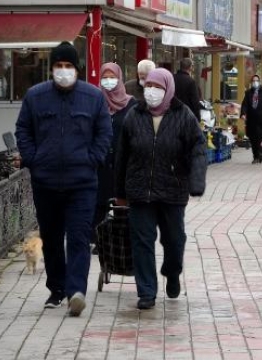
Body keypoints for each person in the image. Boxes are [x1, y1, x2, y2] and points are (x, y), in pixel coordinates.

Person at [15, 41, 112, 316]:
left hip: (82, 183)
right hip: (45, 182)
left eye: (68, 66)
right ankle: (57, 289)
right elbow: (23, 129)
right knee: (52, 238)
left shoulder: (93, 97)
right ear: (51, 68)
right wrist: (33, 159)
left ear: (77, 70)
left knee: (79, 238)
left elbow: (104, 132)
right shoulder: (35, 96)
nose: (63, 71)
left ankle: (76, 292)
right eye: (58, 65)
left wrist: (92, 159)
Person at [115, 68, 207, 310]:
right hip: (140, 191)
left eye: (158, 87)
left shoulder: (184, 115)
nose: (152, 92)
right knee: (142, 241)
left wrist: (197, 181)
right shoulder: (134, 115)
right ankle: (146, 291)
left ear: (168, 90)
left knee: (174, 240)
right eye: (149, 87)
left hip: (173, 190)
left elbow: (198, 149)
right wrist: (120, 193)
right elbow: (122, 156)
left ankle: (172, 271)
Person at [92, 63, 137, 253]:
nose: (108, 81)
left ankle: (121, 239)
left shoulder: (131, 104)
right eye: (105, 77)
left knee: (122, 202)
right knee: (98, 202)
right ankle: (97, 240)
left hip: (123, 162)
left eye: (112, 77)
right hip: (100, 162)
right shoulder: (95, 101)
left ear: (119, 78)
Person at [240, 75, 262, 164]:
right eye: (253, 81)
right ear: (251, 82)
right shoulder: (248, 93)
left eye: (257, 80)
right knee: (253, 139)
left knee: (261, 137)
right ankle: (256, 156)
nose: (255, 82)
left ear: (259, 81)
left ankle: (261, 153)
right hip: (251, 120)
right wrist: (243, 114)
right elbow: (245, 104)